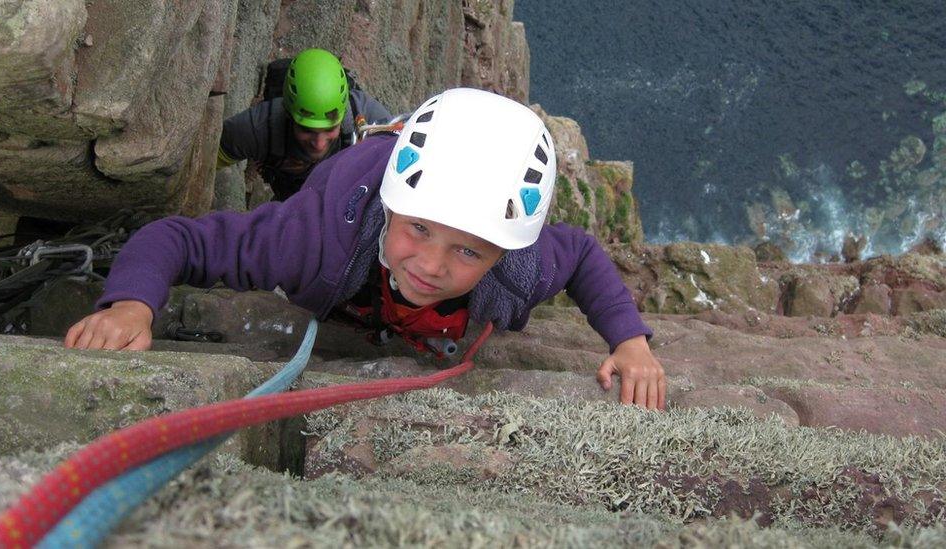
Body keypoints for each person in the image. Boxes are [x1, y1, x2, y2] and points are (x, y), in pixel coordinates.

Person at [65, 88, 666, 410]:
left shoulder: (520, 264)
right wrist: (130, 305)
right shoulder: (312, 238)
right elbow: (180, 238)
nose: (430, 266)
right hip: (353, 177)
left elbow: (583, 255)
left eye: (467, 253)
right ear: (393, 206)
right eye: (419, 230)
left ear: (500, 255)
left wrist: (630, 342)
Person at [216, 48, 393, 201]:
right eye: (307, 130)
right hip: (294, 205)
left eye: (329, 129)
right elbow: (208, 161)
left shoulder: (375, 127)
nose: (319, 143)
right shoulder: (259, 128)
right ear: (288, 114)